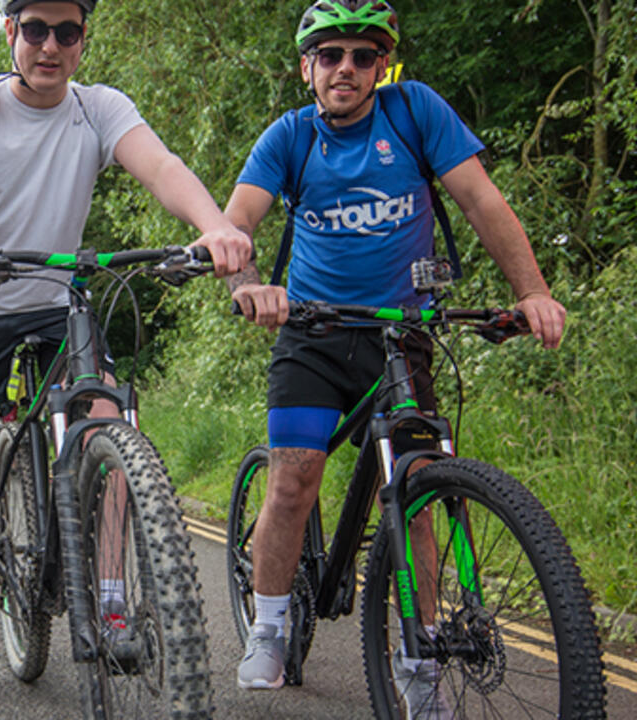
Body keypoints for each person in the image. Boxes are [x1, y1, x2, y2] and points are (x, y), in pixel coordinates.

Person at [0, 0, 250, 696]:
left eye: (67, 32)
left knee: (109, 426)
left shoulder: (99, 108)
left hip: (59, 300)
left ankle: (111, 599)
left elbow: (162, 165)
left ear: (82, 41)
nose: (50, 46)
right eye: (36, 30)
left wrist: (213, 226)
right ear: (11, 32)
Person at [222, 1, 565, 712]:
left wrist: (532, 293)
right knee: (293, 481)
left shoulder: (414, 113)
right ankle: (270, 625)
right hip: (312, 332)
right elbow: (237, 224)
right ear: (307, 67)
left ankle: (421, 662)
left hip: (402, 334)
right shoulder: (290, 136)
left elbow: (482, 202)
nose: (346, 67)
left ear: (384, 65)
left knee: (419, 494)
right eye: (330, 55)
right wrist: (250, 286)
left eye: (363, 55)